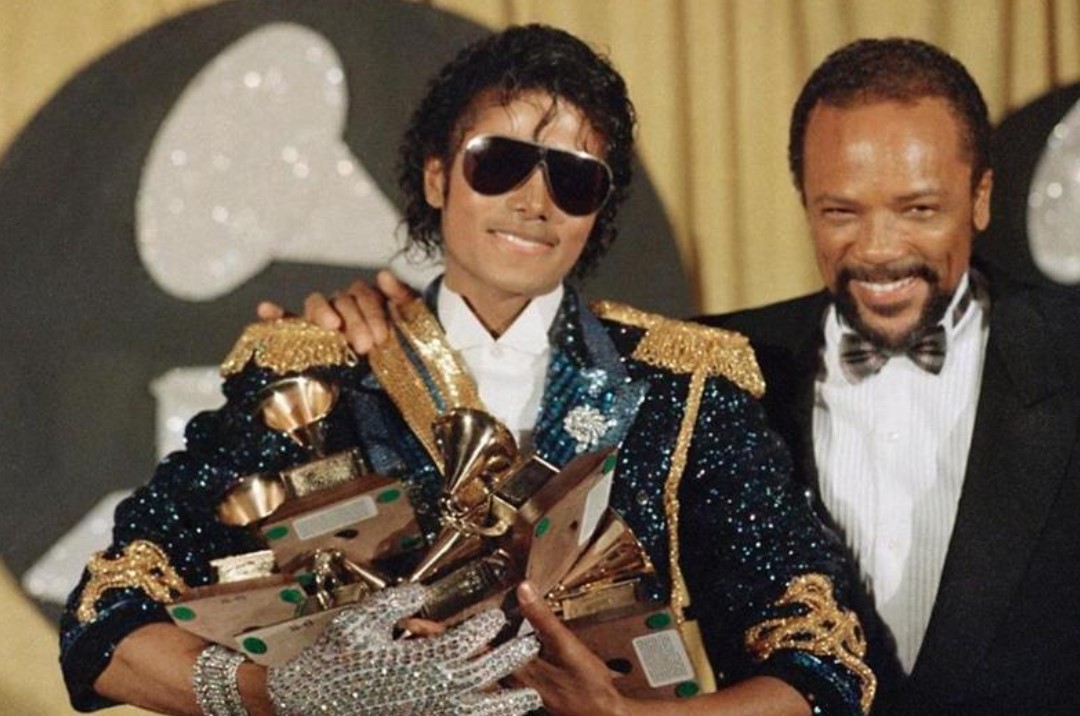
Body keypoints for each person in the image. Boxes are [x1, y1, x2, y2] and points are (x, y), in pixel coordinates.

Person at [62, 24, 875, 716]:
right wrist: (282, 694)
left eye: (574, 177)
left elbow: (822, 657)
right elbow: (105, 620)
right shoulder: (313, 373)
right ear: (436, 176)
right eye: (500, 163)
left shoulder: (688, 387)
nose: (534, 200)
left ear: (599, 214)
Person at [282, 37, 1080, 716]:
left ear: (980, 198)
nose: (877, 249)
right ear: (803, 200)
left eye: (918, 210)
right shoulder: (710, 368)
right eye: (841, 211)